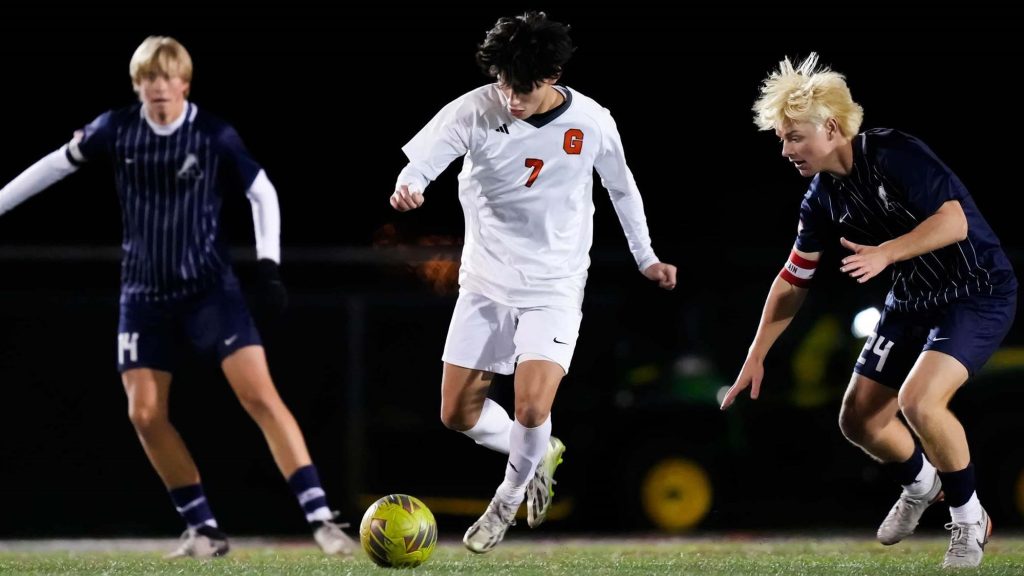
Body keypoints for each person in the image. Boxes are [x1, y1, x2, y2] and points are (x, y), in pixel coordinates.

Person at [0, 36, 355, 559]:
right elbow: (54, 164)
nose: (159, 87)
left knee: (259, 395)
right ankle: (204, 529)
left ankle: (322, 518)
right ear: (137, 85)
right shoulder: (115, 129)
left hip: (211, 292)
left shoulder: (212, 134)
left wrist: (269, 267)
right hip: (143, 295)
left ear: (184, 84)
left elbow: (263, 192)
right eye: (149, 78)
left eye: (168, 78)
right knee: (144, 413)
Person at [390, 11, 677, 553]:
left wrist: (647, 257)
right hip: (486, 279)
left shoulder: (591, 121)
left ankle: (506, 500)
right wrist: (410, 186)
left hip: (555, 283)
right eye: (503, 82)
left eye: (522, 86)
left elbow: (622, 188)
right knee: (456, 415)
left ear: (554, 74)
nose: (511, 96)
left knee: (530, 407)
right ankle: (539, 451)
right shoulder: (475, 109)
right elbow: (422, 162)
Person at [720, 52, 1017, 568]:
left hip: (976, 291)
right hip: (912, 301)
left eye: (793, 137)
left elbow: (954, 223)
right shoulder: (819, 197)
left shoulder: (894, 152)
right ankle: (922, 485)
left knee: (919, 402)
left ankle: (971, 519)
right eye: (781, 139)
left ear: (831, 127)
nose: (786, 150)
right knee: (859, 420)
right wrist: (757, 352)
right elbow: (794, 278)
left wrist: (886, 253)